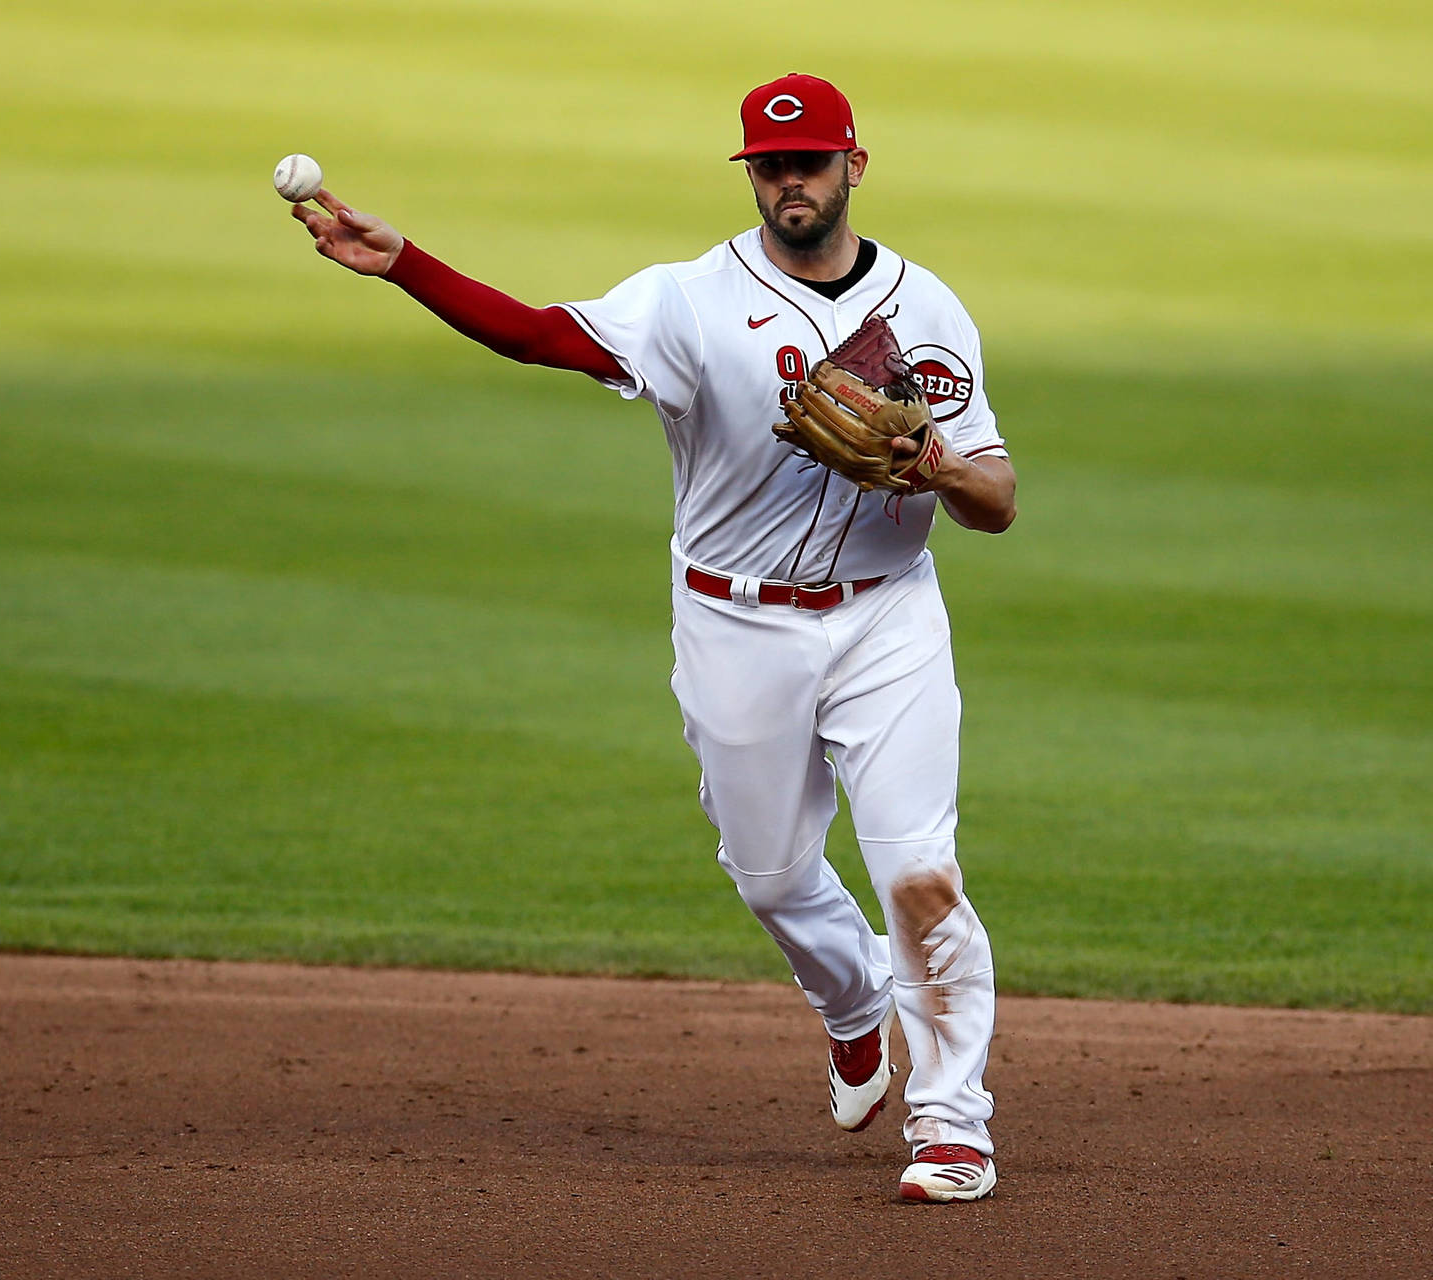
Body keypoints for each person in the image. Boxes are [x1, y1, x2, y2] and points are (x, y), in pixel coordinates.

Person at [288, 72, 1016, 1203]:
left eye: (811, 162)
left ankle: (951, 1124)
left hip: (888, 617)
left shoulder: (931, 307)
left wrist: (936, 466)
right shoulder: (690, 300)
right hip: (736, 620)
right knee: (773, 876)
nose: (791, 183)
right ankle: (855, 1005)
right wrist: (409, 266)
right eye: (771, 166)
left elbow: (998, 499)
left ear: (854, 166)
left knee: (921, 870)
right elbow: (540, 337)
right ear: (750, 175)